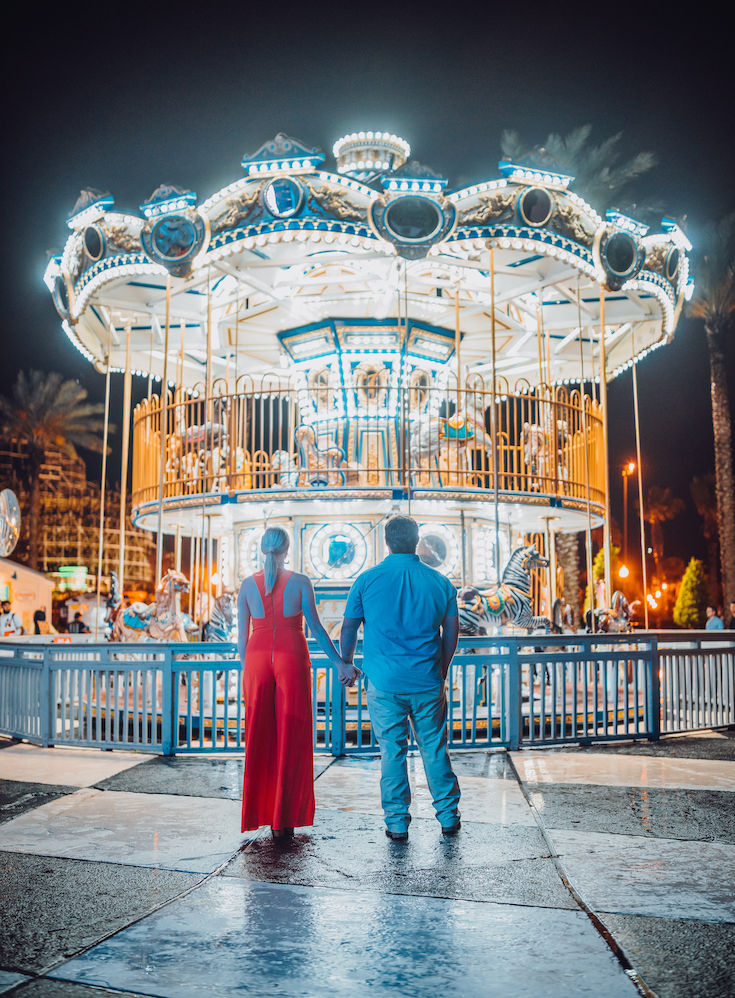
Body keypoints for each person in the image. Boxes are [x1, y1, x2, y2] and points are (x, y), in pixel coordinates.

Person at [340, 515, 461, 841]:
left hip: (383, 682)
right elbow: (452, 635)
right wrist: (442, 668)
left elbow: (348, 628)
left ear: (387, 541)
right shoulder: (440, 583)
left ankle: (396, 823)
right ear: (417, 540)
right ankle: (448, 816)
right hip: (427, 680)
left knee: (392, 752)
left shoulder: (366, 580)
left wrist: (347, 663)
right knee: (434, 749)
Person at [237, 526, 359, 840]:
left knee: (258, 735)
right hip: (291, 653)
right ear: (288, 549)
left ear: (262, 549)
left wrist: (247, 674)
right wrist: (340, 664)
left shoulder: (247, 585)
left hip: (256, 657)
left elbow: (241, 639)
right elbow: (316, 629)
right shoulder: (301, 582)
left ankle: (258, 813)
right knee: (292, 735)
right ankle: (283, 821)